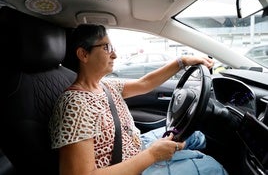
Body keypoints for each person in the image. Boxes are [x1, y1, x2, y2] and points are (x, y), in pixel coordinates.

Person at [49, 24, 227, 175]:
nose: (114, 55)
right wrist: (152, 155)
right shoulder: (75, 105)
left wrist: (182, 61)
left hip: (137, 146)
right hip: (128, 166)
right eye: (106, 48)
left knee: (196, 134)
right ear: (83, 54)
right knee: (213, 168)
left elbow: (145, 83)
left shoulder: (104, 86)